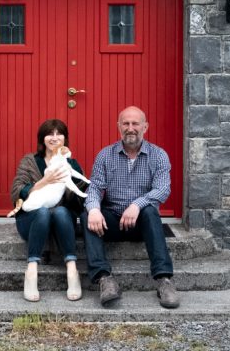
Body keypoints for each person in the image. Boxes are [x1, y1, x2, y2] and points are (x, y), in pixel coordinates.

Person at [83, 106, 179, 309]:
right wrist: (93, 209)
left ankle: (164, 281)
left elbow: (163, 190)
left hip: (141, 224)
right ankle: (104, 279)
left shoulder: (158, 155)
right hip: (112, 221)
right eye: (126, 123)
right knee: (87, 215)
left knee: (151, 211)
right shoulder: (105, 155)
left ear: (145, 126)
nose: (130, 128)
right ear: (119, 126)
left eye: (135, 123)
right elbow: (94, 188)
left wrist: (137, 204)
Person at [9, 118, 87, 302]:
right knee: (43, 211)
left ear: (65, 139)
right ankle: (31, 271)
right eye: (49, 134)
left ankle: (72, 270)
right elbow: (16, 191)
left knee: (59, 212)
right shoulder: (30, 161)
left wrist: (68, 184)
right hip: (31, 220)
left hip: (61, 223)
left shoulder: (71, 164)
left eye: (59, 133)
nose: (54, 137)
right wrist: (44, 182)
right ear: (42, 139)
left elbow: (80, 199)